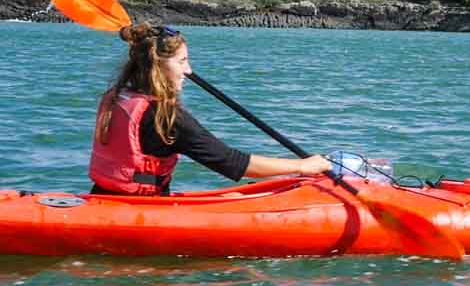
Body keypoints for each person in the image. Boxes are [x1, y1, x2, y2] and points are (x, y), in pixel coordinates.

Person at [89, 23, 331, 196]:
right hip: (140, 208)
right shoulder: (167, 118)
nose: (189, 70)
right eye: (182, 61)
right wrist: (302, 166)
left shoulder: (118, 96)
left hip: (103, 196)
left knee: (234, 197)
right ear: (156, 66)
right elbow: (232, 163)